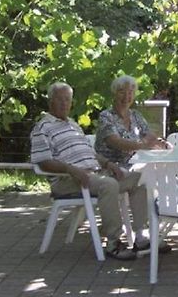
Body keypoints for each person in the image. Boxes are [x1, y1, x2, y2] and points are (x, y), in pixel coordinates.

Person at [30, 82, 139, 260]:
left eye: (68, 99)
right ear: (50, 101)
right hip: (67, 180)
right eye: (60, 99)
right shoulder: (42, 128)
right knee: (109, 185)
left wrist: (109, 164)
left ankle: (141, 236)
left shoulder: (73, 125)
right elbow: (43, 162)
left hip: (93, 175)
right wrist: (71, 169)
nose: (65, 103)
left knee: (138, 179)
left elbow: (91, 153)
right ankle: (113, 243)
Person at [95, 75, 172, 253]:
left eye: (131, 92)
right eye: (122, 91)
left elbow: (150, 135)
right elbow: (115, 141)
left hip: (129, 169)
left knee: (143, 180)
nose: (127, 96)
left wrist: (155, 142)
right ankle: (115, 241)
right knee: (141, 179)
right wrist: (142, 145)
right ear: (115, 93)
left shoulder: (135, 116)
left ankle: (141, 236)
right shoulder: (106, 116)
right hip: (108, 170)